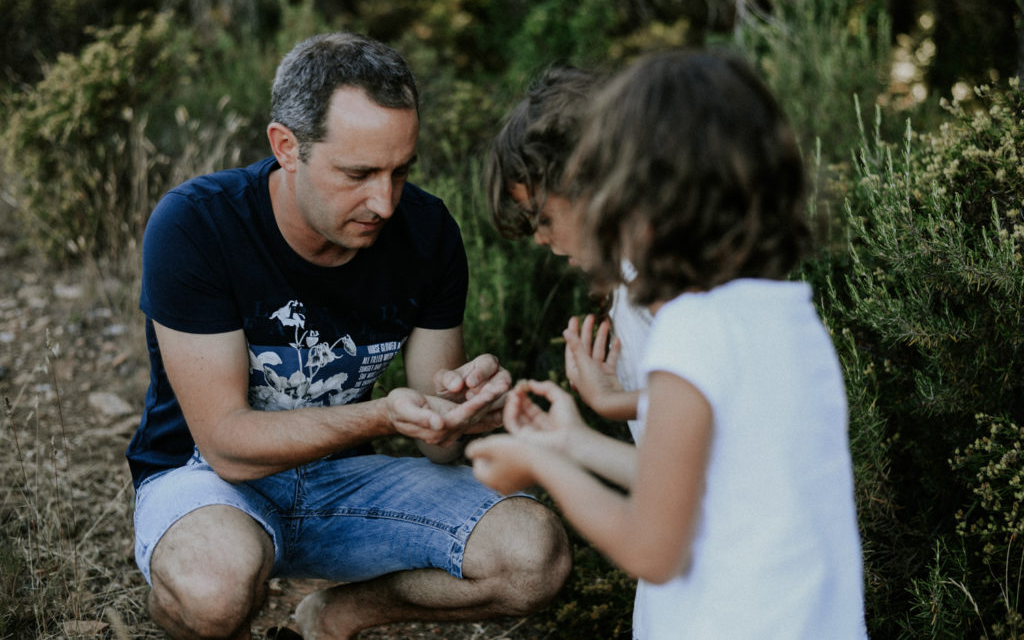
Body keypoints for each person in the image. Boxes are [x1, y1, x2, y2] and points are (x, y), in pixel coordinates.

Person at [126, 31, 571, 640]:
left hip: (342, 480)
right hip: (205, 475)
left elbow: (439, 443)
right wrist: (385, 416)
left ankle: (337, 616)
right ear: (286, 147)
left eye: (401, 170)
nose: (385, 202)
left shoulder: (428, 232)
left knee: (533, 557)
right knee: (212, 589)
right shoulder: (198, 225)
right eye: (358, 173)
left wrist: (469, 410)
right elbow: (227, 443)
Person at [467, 49, 866, 638]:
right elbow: (713, 484)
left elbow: (655, 549)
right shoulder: (791, 321)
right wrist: (576, 441)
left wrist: (543, 464)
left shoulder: (692, 332)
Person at [485, 66, 653, 440]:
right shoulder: (628, 277)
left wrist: (610, 401)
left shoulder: (660, 273)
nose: (540, 239)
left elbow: (713, 396)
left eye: (543, 218)